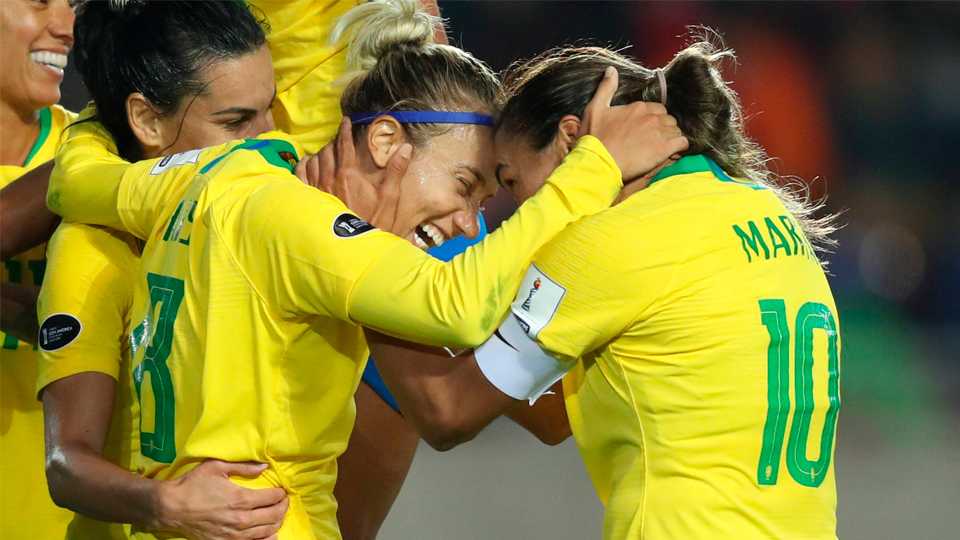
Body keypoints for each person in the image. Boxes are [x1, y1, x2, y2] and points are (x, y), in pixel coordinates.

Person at [44, 3, 687, 538]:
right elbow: (455, 320)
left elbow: (74, 185)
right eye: (465, 186)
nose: (468, 223)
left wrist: (86, 136)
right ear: (382, 143)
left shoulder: (210, 180)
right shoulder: (285, 215)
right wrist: (591, 173)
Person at [482, 41, 841, 538]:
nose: (519, 208)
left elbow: (448, 411)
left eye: (512, 181)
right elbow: (554, 413)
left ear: (571, 142)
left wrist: (389, 259)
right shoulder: (767, 212)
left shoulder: (610, 240)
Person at [37, 2, 287, 538]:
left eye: (270, 111)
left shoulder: (274, 218)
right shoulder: (94, 247)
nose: (272, 142)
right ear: (147, 119)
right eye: (237, 122)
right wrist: (162, 505)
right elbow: (66, 465)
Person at [0, 0, 77, 536]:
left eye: (74, 6)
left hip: (69, 518)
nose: (66, 27)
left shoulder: (109, 157)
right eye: (39, 0)